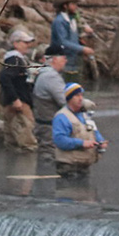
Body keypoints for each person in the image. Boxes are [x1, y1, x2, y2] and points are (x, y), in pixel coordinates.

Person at [51, 82, 107, 195]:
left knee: (85, 196)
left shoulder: (84, 115)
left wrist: (101, 142)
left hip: (84, 166)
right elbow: (60, 140)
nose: (80, 98)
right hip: (68, 167)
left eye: (81, 95)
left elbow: (94, 131)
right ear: (69, 98)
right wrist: (82, 143)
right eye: (77, 96)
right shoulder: (61, 117)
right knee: (70, 198)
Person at [31, 44, 71, 182]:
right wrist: (83, 105)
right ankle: (47, 190)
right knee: (48, 160)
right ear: (54, 59)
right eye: (63, 57)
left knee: (45, 156)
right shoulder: (51, 77)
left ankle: (44, 188)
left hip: (44, 125)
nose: (66, 60)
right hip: (49, 128)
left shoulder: (43, 73)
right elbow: (66, 101)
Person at [0, 30, 40, 152]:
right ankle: (27, 168)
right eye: (25, 42)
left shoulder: (15, 59)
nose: (28, 45)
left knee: (12, 141)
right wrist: (15, 99)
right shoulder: (15, 59)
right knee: (28, 142)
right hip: (20, 104)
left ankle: (12, 166)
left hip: (11, 102)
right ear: (16, 43)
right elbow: (3, 77)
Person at [49, 0, 94, 78]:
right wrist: (82, 49)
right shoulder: (60, 21)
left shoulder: (72, 20)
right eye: (73, 4)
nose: (76, 7)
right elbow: (63, 42)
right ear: (65, 6)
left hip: (73, 59)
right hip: (62, 60)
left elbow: (73, 37)